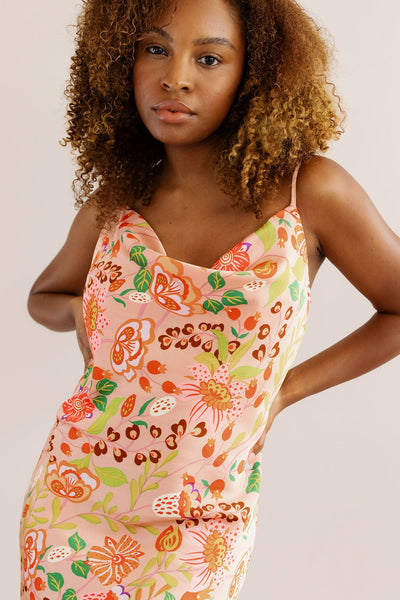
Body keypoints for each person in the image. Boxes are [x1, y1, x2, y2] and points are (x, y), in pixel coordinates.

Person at [19, 0, 400, 598]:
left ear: (254, 74)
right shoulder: (118, 200)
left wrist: (284, 391)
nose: (176, 77)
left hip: (207, 513)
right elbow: (46, 294)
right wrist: (80, 314)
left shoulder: (309, 193)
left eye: (209, 58)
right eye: (155, 49)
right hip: (74, 499)